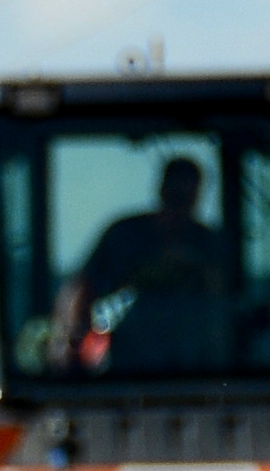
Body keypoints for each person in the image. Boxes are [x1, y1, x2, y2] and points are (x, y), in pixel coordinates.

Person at [56, 155, 229, 372]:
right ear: (161, 191)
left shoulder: (208, 245)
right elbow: (81, 290)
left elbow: (223, 302)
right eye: (174, 197)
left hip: (195, 368)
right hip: (128, 369)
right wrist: (73, 347)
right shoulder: (124, 237)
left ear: (197, 197)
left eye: (185, 199)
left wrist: (196, 269)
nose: (178, 209)